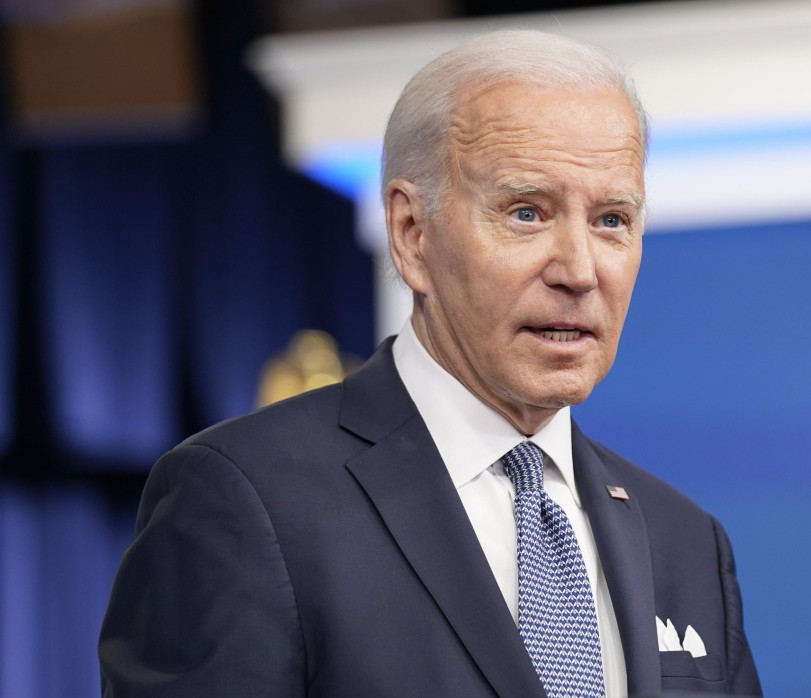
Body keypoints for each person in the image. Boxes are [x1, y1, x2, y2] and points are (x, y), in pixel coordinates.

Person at [98, 29, 762, 698]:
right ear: (413, 235)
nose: (581, 271)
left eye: (612, 220)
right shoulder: (247, 500)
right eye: (527, 212)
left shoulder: (685, 541)